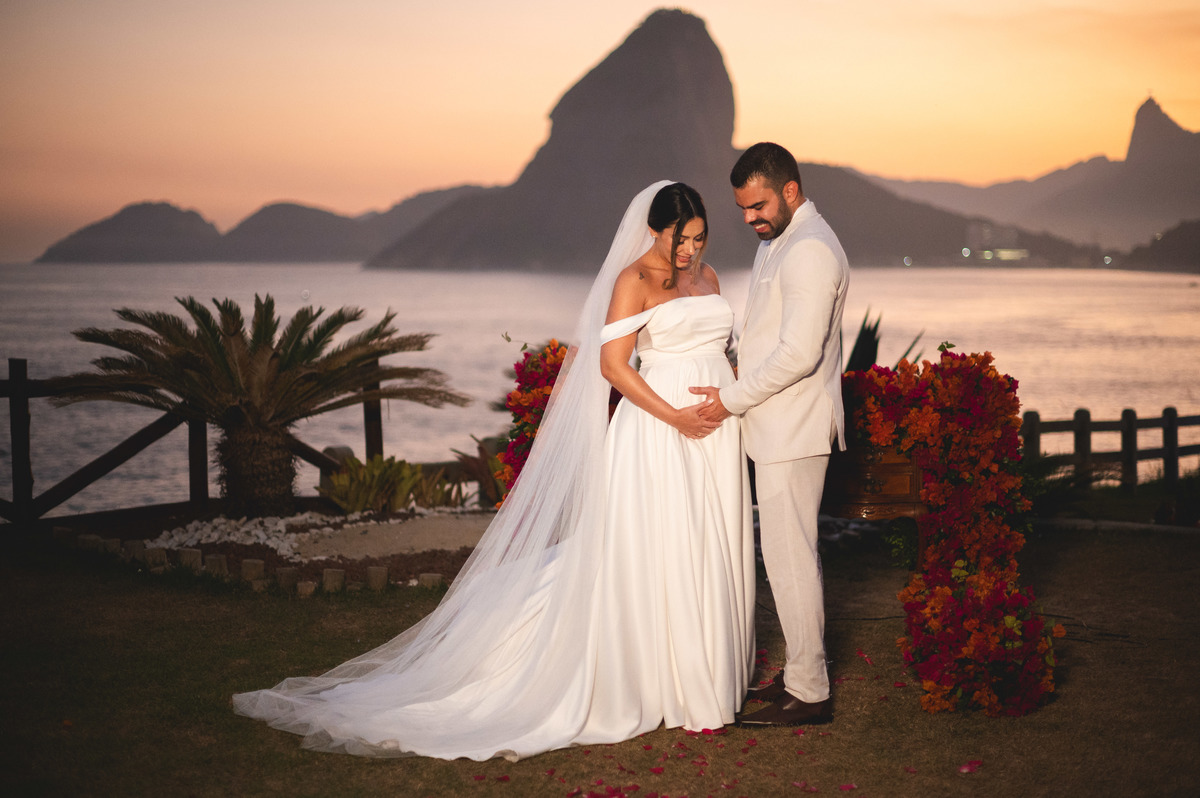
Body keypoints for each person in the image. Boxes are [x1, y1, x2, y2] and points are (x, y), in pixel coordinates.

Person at [233, 181, 756, 760]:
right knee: (660, 546)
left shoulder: (707, 279)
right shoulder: (631, 281)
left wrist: (729, 384)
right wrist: (677, 416)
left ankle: (712, 668)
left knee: (712, 540)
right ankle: (670, 682)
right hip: (661, 429)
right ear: (654, 231)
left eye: (699, 238)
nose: (689, 251)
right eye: (679, 239)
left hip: (717, 425)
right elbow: (612, 365)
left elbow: (717, 345)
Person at [692, 142, 850, 726]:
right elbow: (764, 334)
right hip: (777, 423)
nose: (749, 218)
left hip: (794, 425)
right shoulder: (778, 242)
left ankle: (810, 693)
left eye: (757, 205)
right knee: (782, 556)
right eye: (741, 209)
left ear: (789, 190)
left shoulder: (810, 249)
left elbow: (799, 354)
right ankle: (797, 674)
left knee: (791, 559)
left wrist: (729, 400)